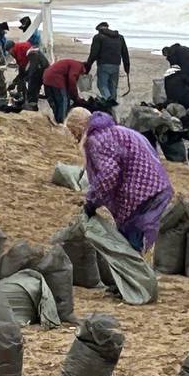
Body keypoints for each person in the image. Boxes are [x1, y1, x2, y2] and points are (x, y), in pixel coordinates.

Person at [65, 107, 174, 252]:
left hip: (141, 195)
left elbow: (109, 174)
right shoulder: (113, 131)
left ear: (78, 129)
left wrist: (91, 202)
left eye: (74, 134)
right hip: (156, 186)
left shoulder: (96, 139)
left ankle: (138, 271)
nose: (75, 139)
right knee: (141, 240)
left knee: (134, 246)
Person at [84, 21, 130, 105]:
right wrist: (127, 68)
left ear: (99, 29)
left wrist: (88, 66)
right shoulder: (120, 37)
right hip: (116, 65)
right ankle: (113, 108)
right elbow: (125, 53)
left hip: (103, 65)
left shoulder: (98, 37)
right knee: (113, 87)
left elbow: (94, 53)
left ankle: (109, 99)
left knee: (102, 85)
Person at [43, 58, 87, 124]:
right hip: (56, 80)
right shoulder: (78, 66)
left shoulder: (70, 63)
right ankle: (61, 122)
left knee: (55, 103)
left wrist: (72, 95)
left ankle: (56, 120)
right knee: (63, 102)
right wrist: (76, 97)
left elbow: (68, 83)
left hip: (46, 79)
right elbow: (71, 80)